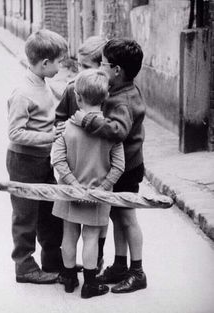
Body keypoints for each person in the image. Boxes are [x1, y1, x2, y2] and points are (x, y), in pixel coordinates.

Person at [71, 38, 147, 294]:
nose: (99, 68)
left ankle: (137, 272)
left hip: (126, 169)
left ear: (116, 70)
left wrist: (89, 121)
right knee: (117, 217)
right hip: (125, 166)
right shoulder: (122, 89)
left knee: (127, 219)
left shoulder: (122, 100)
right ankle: (120, 265)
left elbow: (119, 130)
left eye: (102, 64)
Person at [52, 69, 125, 298]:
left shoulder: (67, 129)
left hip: (69, 192)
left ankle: (69, 277)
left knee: (69, 234)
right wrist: (101, 189)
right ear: (104, 98)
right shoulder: (109, 131)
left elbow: (58, 160)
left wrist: (74, 185)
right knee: (91, 237)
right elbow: (119, 166)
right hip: (97, 195)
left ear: (78, 98)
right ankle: (91, 285)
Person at [6, 29, 68, 284]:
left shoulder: (43, 83)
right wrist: (50, 136)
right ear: (45, 64)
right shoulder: (22, 93)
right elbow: (15, 133)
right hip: (23, 162)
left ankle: (52, 260)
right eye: (59, 62)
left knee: (49, 211)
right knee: (25, 215)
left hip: (42, 160)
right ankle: (24, 266)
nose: (61, 67)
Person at [55, 36, 107, 274]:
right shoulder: (71, 89)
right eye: (79, 66)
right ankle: (87, 275)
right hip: (82, 176)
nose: (80, 73)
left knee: (91, 232)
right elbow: (59, 118)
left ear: (101, 66)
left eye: (86, 67)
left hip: (85, 175)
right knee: (86, 232)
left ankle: (93, 264)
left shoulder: (107, 93)